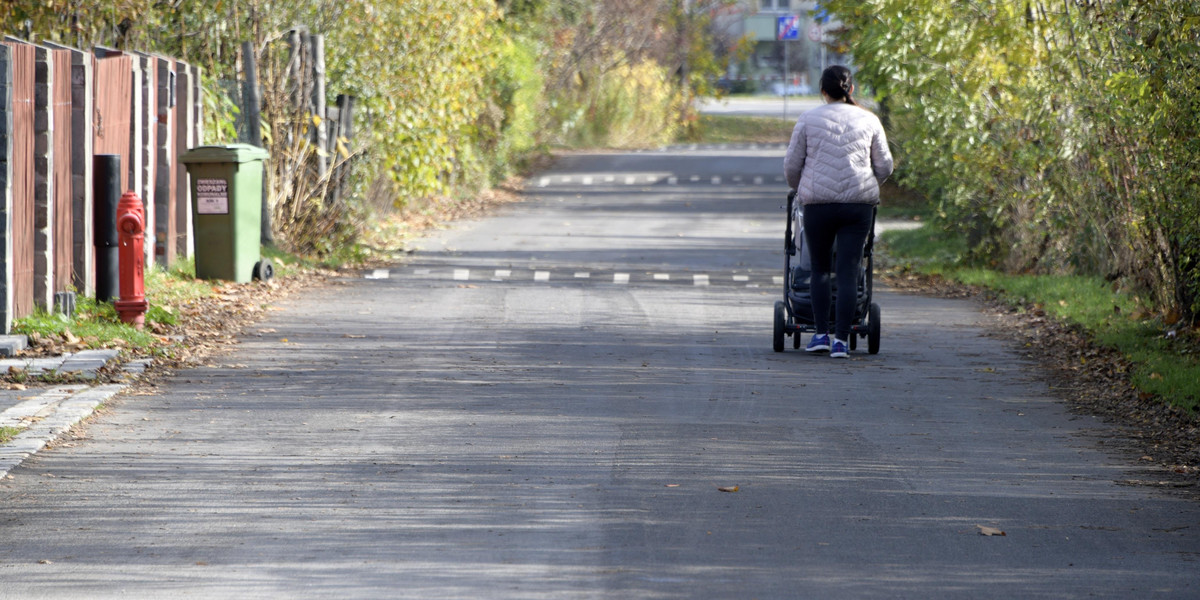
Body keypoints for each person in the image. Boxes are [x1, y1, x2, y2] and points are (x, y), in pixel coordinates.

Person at [784, 65, 893, 358]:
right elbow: (885, 166)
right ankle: (841, 340)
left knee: (819, 268)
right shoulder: (869, 120)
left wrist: (802, 189)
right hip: (858, 206)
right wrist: (868, 185)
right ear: (851, 90)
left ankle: (820, 334)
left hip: (818, 204)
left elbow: (792, 166)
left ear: (823, 91)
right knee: (848, 270)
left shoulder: (808, 119)